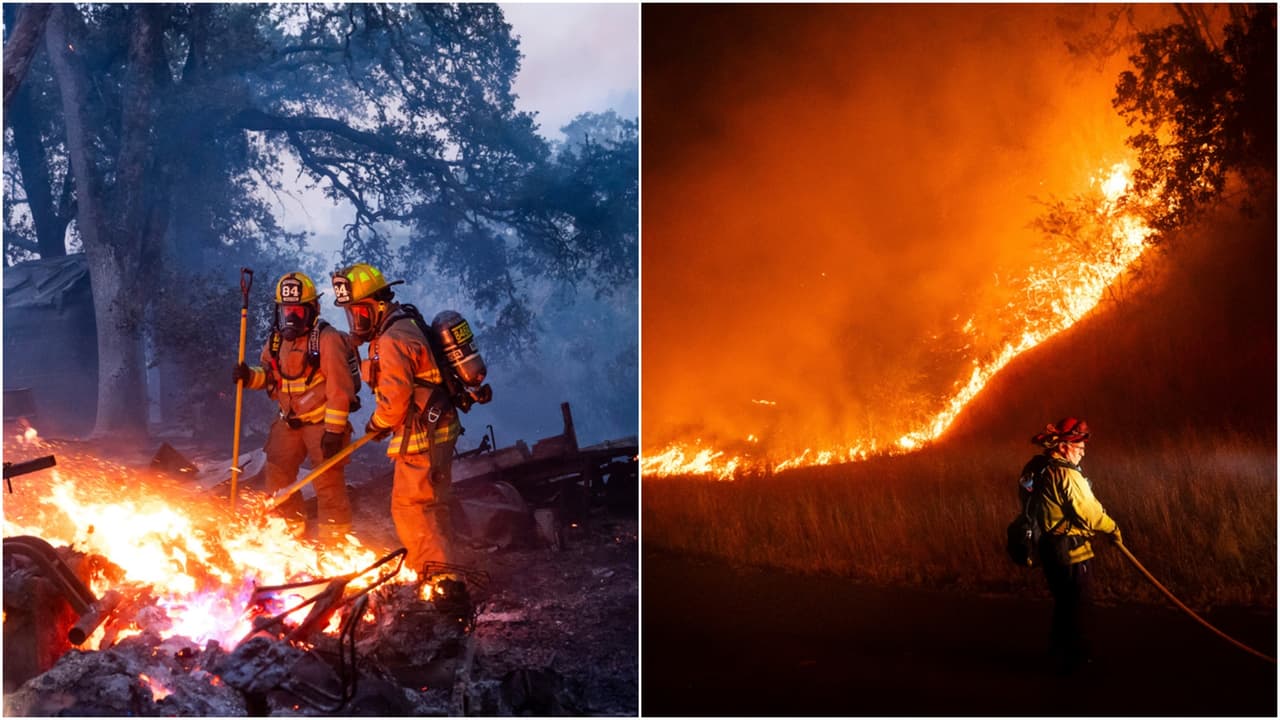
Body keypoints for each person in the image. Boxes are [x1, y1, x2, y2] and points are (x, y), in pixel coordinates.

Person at [330, 262, 463, 575]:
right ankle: (444, 567)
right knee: (432, 504)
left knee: (411, 507)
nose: (356, 321)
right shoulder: (403, 322)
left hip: (422, 436)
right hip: (437, 427)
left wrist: (376, 424)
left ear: (378, 305)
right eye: (351, 314)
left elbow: (394, 402)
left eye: (359, 312)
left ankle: (439, 580)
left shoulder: (392, 340)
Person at [233, 271, 361, 544]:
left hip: (322, 424)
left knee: (328, 484)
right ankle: (291, 536)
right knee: (277, 476)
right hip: (288, 422)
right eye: (286, 311)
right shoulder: (276, 341)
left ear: (313, 310)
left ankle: (335, 545)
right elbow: (271, 377)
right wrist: (249, 376)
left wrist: (334, 431)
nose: (291, 318)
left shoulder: (327, 339)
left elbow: (340, 389)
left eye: (298, 312)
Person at [1022, 416, 1121, 674]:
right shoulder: (1066, 474)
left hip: (1048, 548)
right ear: (1064, 446)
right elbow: (1089, 513)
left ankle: (1058, 654)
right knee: (1079, 605)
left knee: (1064, 603)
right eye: (1079, 447)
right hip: (1071, 550)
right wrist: (1113, 529)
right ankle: (1079, 661)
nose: (1083, 452)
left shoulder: (1038, 468)